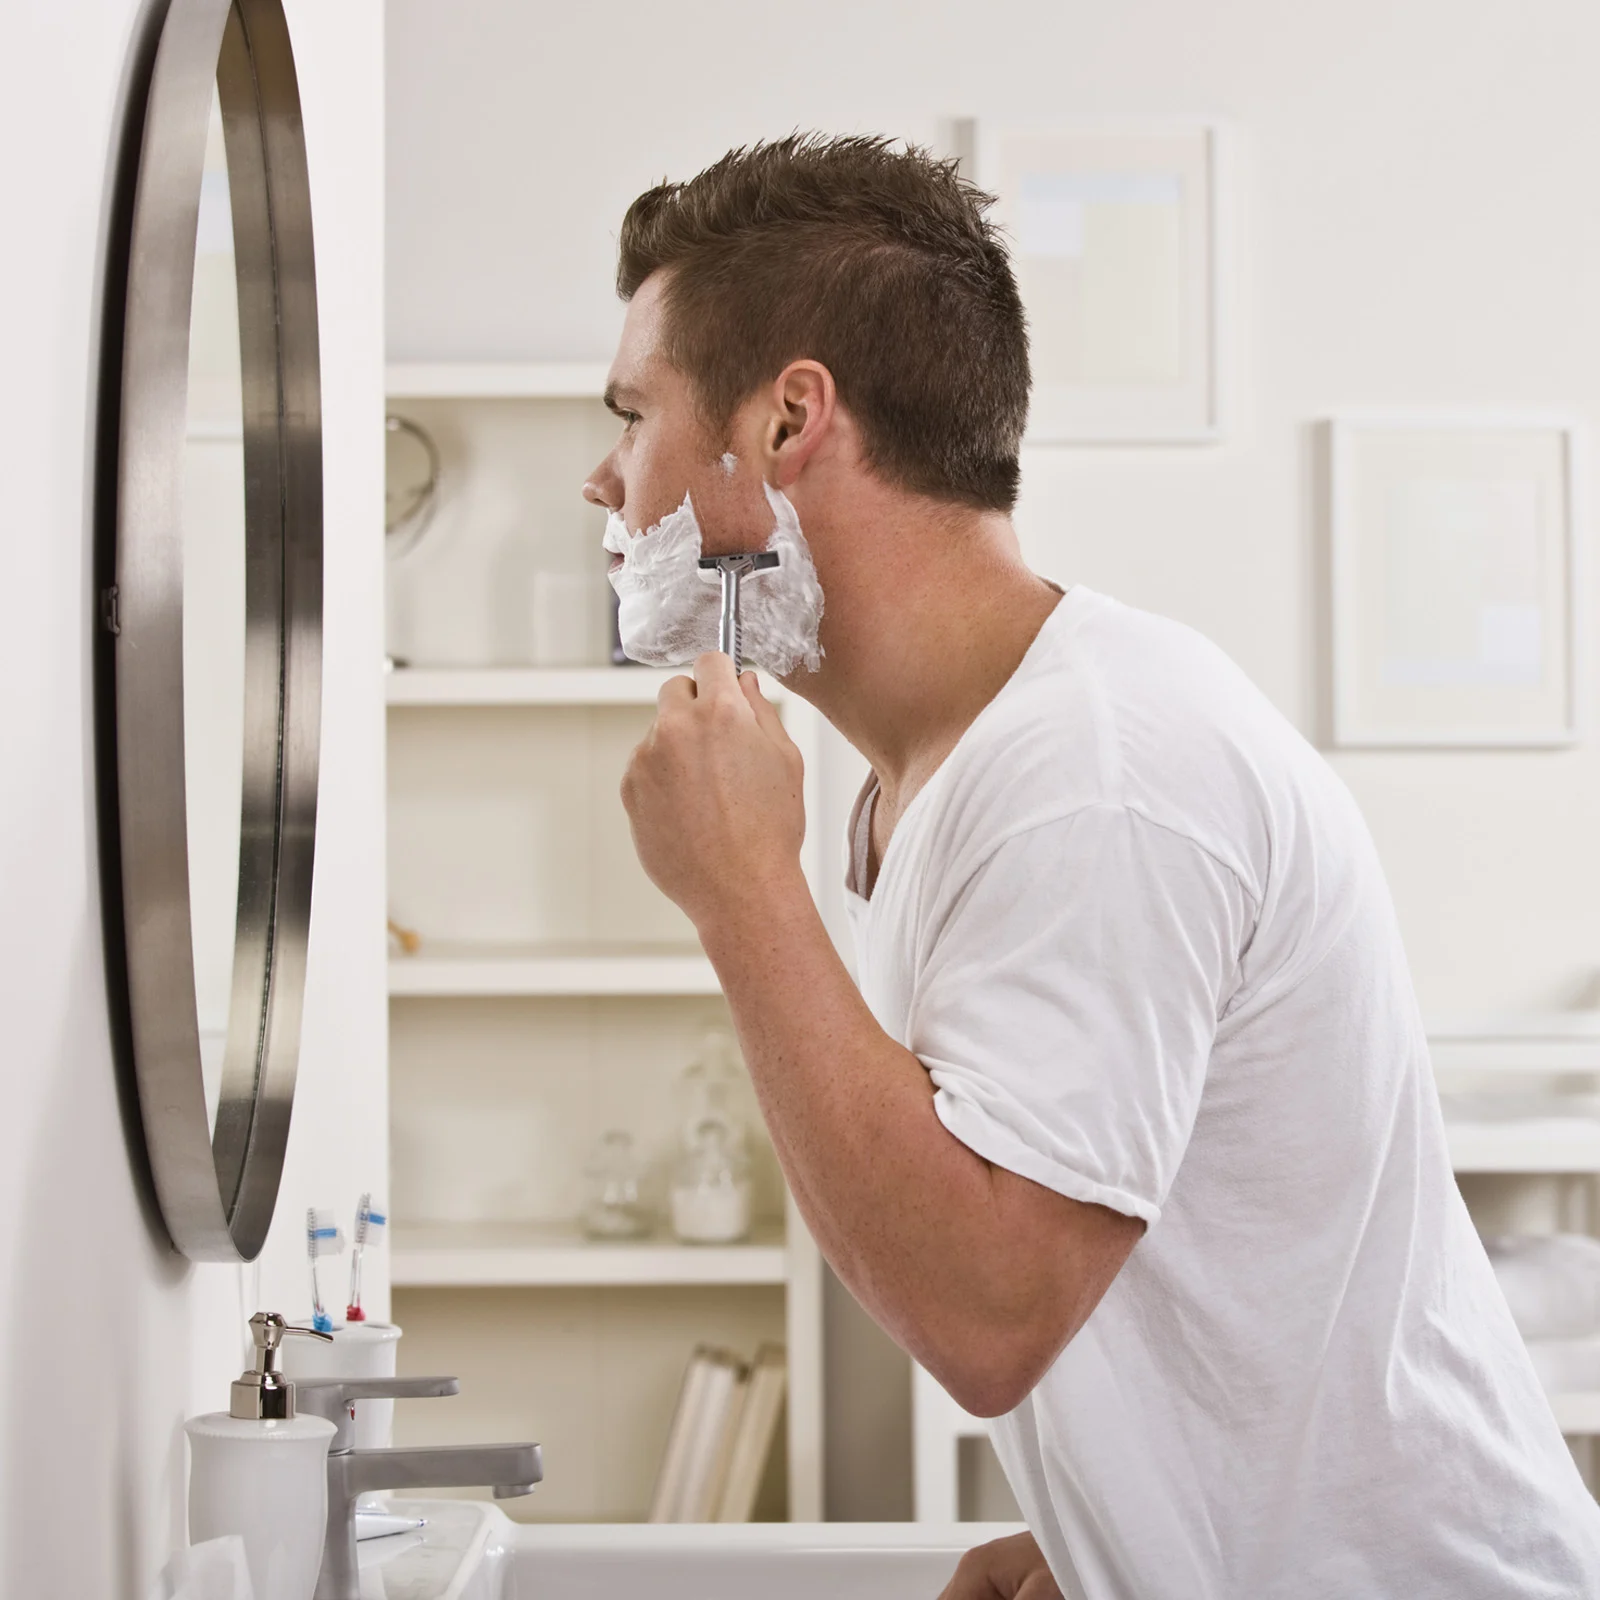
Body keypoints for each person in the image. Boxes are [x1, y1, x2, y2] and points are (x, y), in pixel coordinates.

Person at [581, 135, 1600, 1598]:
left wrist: (745, 895)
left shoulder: (1096, 778)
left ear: (789, 417)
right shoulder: (941, 774)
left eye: (635, 414)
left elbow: (990, 1318)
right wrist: (1118, 1546)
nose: (606, 479)